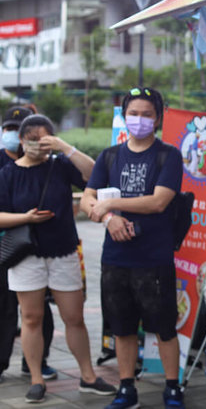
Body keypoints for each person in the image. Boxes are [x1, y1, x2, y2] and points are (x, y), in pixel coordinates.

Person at [0, 113, 116, 403]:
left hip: (63, 251)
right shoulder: (8, 174)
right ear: (23, 140)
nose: (41, 145)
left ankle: (88, 377)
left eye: (46, 140)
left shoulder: (61, 166)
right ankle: (37, 379)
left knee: (74, 317)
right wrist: (25, 218)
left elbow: (95, 174)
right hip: (25, 255)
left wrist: (65, 147)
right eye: (35, 140)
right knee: (31, 317)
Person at [80, 87, 184, 409]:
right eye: (133, 114)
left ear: (158, 118)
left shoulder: (169, 155)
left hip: (153, 257)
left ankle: (172, 387)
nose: (139, 120)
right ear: (124, 116)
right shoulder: (110, 156)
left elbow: (158, 201)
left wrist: (109, 201)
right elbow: (87, 199)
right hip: (115, 258)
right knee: (122, 326)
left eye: (146, 114)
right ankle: (126, 388)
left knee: (164, 327)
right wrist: (109, 216)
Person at [0, 105, 58, 383]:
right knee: (4, 308)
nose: (13, 134)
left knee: (37, 311)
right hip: (5, 248)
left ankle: (36, 362)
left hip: (38, 249)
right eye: (8, 128)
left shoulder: (48, 165)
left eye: (18, 128)